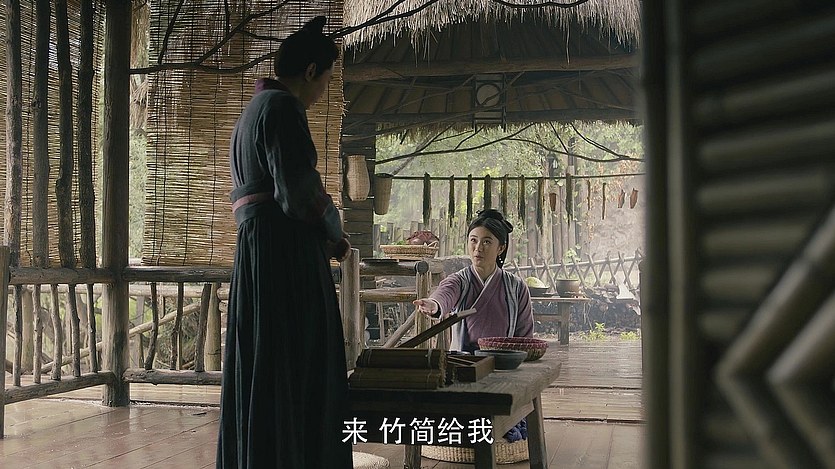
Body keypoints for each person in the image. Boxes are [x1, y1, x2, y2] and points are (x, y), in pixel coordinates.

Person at [217, 16, 353, 469]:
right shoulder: (282, 108)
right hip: (285, 257)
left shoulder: (250, 114)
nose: (323, 93)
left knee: (265, 363)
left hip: (257, 253)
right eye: (326, 81)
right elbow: (299, 194)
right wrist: (334, 232)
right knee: (299, 363)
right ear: (310, 71)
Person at [413, 209, 533, 352]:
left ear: (501, 248)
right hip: (464, 360)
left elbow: (525, 338)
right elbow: (445, 293)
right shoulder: (459, 280)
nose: (478, 248)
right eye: (473, 240)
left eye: (486, 242)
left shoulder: (516, 287)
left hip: (505, 359)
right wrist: (435, 304)